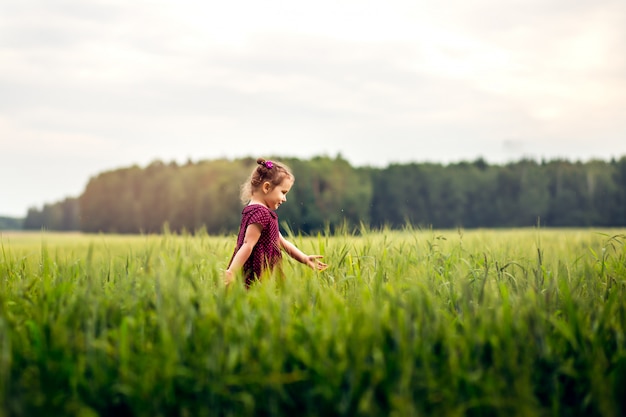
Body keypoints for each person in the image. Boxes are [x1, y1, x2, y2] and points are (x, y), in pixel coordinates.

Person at [225, 158, 327, 287]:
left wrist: (304, 258)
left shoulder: (260, 212)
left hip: (264, 271)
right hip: (256, 273)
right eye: (283, 193)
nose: (284, 199)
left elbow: (280, 242)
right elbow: (247, 244)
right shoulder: (260, 212)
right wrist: (232, 271)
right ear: (266, 187)